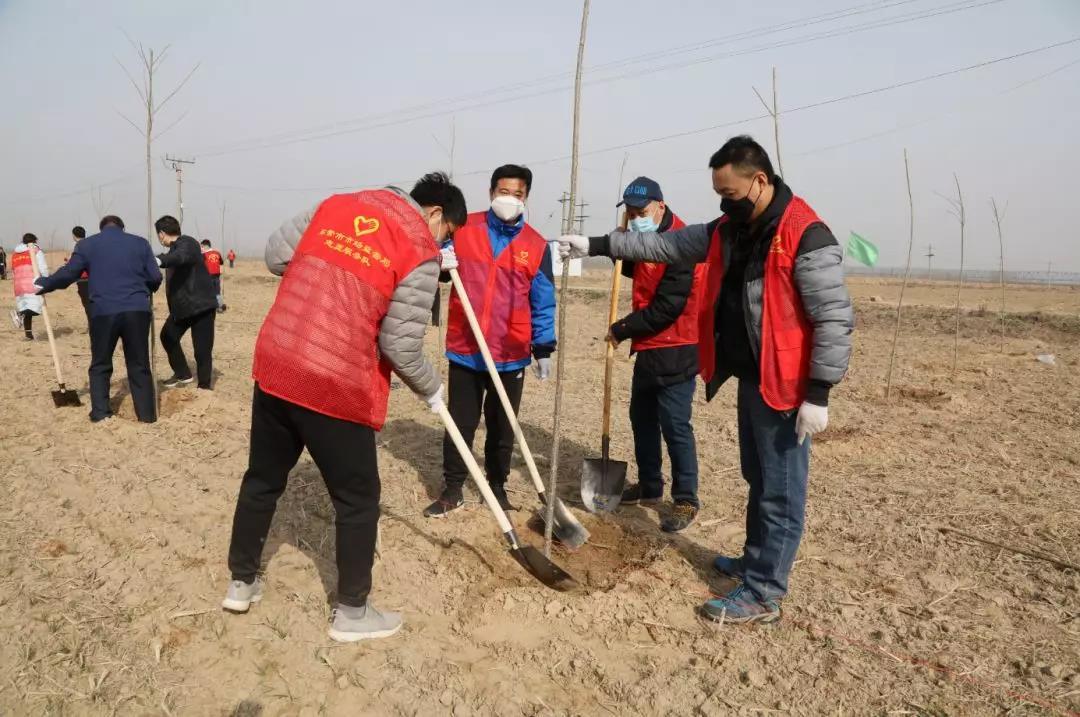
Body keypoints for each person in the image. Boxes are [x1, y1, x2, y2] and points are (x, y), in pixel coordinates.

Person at [558, 136, 854, 624]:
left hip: (786, 387)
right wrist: (597, 245)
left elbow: (834, 318)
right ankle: (755, 562)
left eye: (731, 194)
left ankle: (762, 594)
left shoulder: (805, 234)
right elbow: (665, 243)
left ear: (760, 181)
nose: (724, 203)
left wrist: (818, 392)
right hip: (752, 379)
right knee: (758, 479)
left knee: (781, 491)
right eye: (718, 194)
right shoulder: (729, 229)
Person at [223, 172, 465, 643]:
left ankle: (241, 582)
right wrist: (433, 389)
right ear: (435, 213)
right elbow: (399, 342)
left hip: (279, 358)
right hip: (335, 376)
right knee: (357, 499)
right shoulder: (419, 245)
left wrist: (329, 271)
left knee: (262, 479)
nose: (443, 241)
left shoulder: (337, 204)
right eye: (448, 232)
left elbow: (276, 255)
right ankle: (352, 612)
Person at [423, 164, 557, 517]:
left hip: (510, 352)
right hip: (466, 348)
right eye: (503, 191)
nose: (509, 199)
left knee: (502, 427)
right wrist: (438, 259)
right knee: (461, 423)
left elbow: (543, 301)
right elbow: (429, 257)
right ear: (490, 192)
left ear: (526, 197)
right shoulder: (466, 228)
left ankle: (497, 485)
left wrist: (543, 347)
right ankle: (453, 488)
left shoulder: (536, 245)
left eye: (517, 194)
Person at [607, 177, 708, 533]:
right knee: (642, 417)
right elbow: (639, 268)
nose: (636, 218)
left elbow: (668, 307)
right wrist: (620, 249)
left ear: (661, 207)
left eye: (642, 211)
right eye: (631, 213)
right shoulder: (646, 238)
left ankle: (685, 499)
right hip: (650, 348)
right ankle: (650, 485)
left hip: (677, 346)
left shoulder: (682, 244)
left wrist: (621, 329)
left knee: (675, 424)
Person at [34, 215, 162, 422]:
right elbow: (155, 277)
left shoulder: (87, 245)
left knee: (101, 363)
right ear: (122, 227)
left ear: (102, 228)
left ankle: (101, 414)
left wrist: (45, 283)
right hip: (136, 311)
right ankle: (147, 416)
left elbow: (70, 273)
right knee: (139, 364)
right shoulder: (140, 243)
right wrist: (148, 289)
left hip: (103, 311)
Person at [154, 217, 218, 390]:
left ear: (161, 234)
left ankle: (204, 387)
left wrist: (159, 261)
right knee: (167, 336)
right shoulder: (175, 249)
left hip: (200, 307)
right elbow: (173, 257)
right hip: (182, 309)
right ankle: (183, 373)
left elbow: (179, 257)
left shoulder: (187, 243)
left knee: (202, 350)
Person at [10, 234, 48, 340]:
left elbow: (13, 270)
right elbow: (43, 267)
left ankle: (28, 335)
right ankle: (19, 314)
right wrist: (46, 280)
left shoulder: (15, 254)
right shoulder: (35, 250)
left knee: (27, 308)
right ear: (35, 240)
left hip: (19, 285)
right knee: (36, 307)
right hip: (32, 283)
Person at [71, 226, 92, 323]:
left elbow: (79, 263)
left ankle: (93, 325)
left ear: (74, 236)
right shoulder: (91, 244)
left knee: (88, 305)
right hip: (93, 279)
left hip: (84, 280)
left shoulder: (79, 246)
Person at [200, 239, 226, 312]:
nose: (201, 249)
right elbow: (221, 262)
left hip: (208, 276)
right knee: (217, 292)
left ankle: (207, 307)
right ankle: (220, 307)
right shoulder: (217, 253)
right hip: (217, 276)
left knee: (206, 292)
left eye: (201, 247)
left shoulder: (203, 255)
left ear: (205, 246)